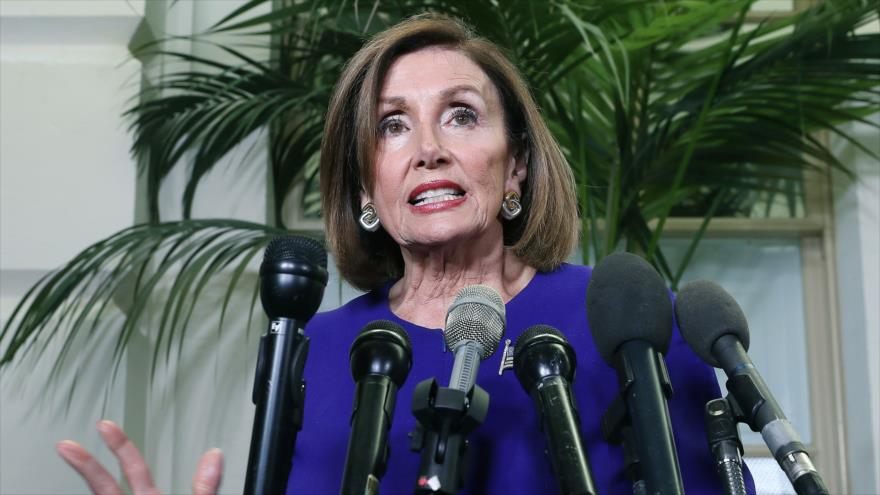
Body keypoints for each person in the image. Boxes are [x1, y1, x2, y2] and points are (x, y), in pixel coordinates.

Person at [58, 14, 756, 495]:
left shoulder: (630, 322)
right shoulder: (321, 348)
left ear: (514, 168)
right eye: (393, 125)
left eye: (461, 115)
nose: (429, 149)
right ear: (366, 186)